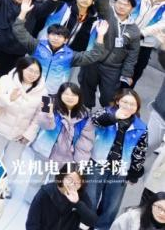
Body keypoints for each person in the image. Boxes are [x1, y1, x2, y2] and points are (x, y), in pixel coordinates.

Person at [88, 88, 150, 230]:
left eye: (132, 104)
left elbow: (140, 152)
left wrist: (134, 173)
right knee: (90, 198)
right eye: (125, 102)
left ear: (137, 107)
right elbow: (94, 121)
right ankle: (85, 224)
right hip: (97, 163)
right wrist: (114, 117)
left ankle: (101, 227)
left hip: (121, 170)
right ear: (117, 101)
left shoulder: (141, 127)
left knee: (111, 205)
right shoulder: (106, 113)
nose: (128, 106)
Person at [25, 162, 99, 230]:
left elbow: (92, 222)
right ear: (62, 177)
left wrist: (77, 203)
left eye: (77, 182)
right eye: (70, 179)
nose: (72, 185)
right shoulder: (45, 193)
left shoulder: (82, 195)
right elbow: (32, 224)